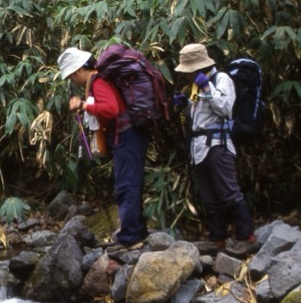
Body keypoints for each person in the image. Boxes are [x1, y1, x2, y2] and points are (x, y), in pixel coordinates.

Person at [58, 47, 150, 248]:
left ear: (78, 70)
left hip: (126, 136)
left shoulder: (98, 81)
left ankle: (130, 237)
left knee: (126, 185)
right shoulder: (99, 79)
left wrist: (83, 105)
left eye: (72, 76)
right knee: (130, 182)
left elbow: (111, 109)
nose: (73, 81)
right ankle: (137, 232)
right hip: (128, 135)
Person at [172, 43, 258, 256]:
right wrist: (185, 105)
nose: (187, 75)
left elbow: (225, 109)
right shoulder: (196, 85)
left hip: (217, 145)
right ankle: (217, 239)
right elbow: (199, 117)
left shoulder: (221, 79)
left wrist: (207, 88)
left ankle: (247, 238)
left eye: (189, 70)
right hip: (199, 147)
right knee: (209, 196)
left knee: (229, 192)